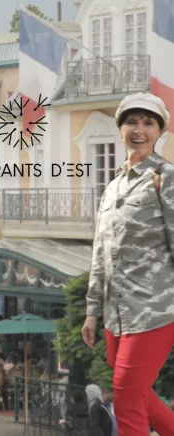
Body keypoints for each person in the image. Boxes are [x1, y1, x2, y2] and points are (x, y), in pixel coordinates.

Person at [82, 92, 174, 436]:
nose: (139, 130)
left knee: (126, 399)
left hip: (154, 310)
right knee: (137, 392)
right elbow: (100, 253)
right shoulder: (112, 187)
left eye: (148, 123)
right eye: (132, 122)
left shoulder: (166, 177)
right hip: (115, 314)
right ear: (120, 129)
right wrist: (92, 311)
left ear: (159, 131)